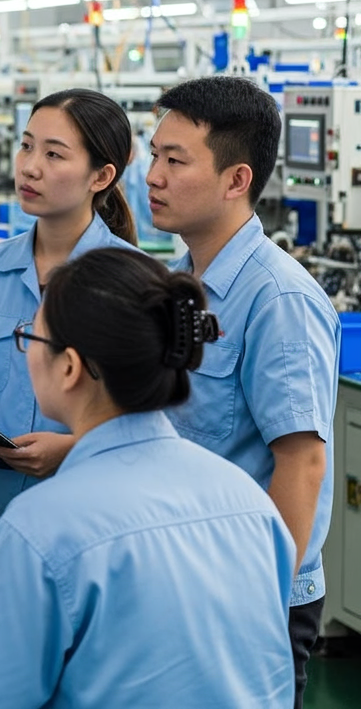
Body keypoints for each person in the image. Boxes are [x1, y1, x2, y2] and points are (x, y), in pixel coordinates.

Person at [0, 247, 297, 709]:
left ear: (69, 367)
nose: (25, 353)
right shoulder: (252, 505)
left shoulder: (41, 529)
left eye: (31, 338)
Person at [146, 75, 339, 709]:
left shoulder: (276, 298)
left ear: (237, 180)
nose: (153, 175)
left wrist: (257, 596)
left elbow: (302, 461)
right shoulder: (179, 281)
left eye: (176, 161)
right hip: (182, 570)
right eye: (154, 155)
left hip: (248, 589)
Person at [0, 88, 140, 585]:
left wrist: (73, 448)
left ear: (101, 176)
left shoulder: (132, 278)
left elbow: (153, 416)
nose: (30, 166)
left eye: (54, 154)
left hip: (87, 526)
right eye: (26, 146)